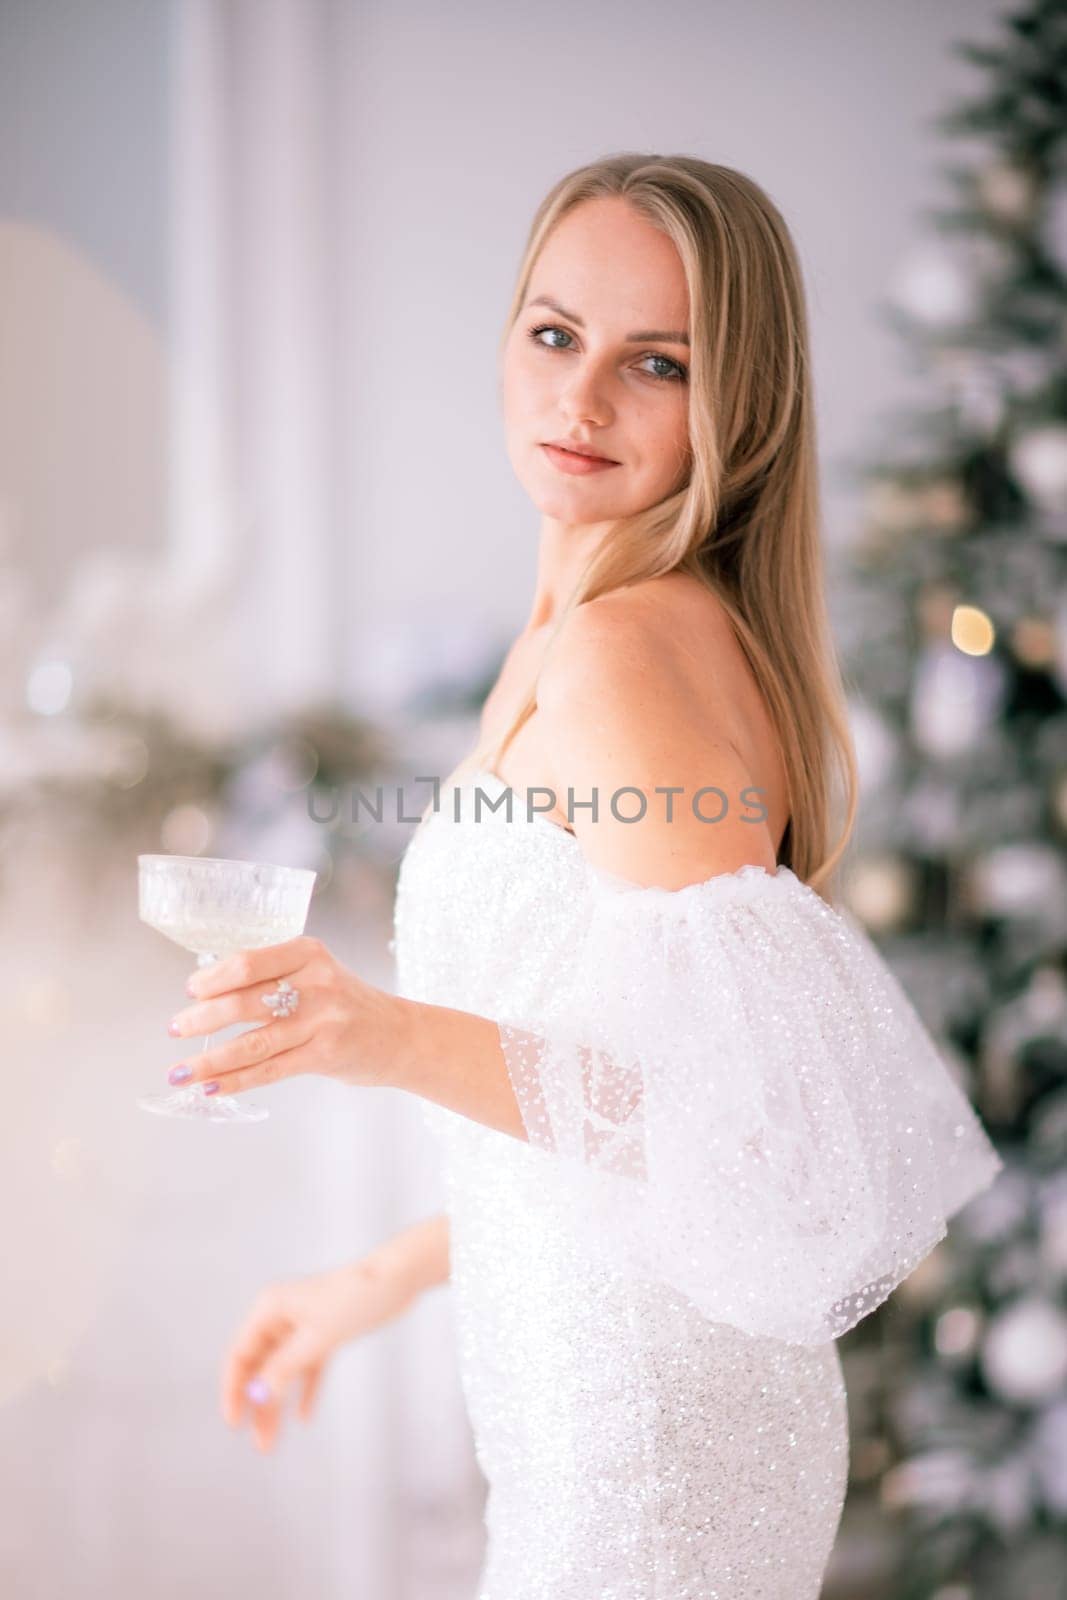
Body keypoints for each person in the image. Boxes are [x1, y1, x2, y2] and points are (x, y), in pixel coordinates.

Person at [167, 154, 1004, 1596]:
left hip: (649, 1456)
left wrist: (385, 1037)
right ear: (507, 341)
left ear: (736, 403)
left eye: (657, 363)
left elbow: (765, 1137)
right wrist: (375, 1281)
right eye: (556, 335)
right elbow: (615, 1099)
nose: (585, 398)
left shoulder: (625, 654)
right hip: (604, 1407)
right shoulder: (593, 632)